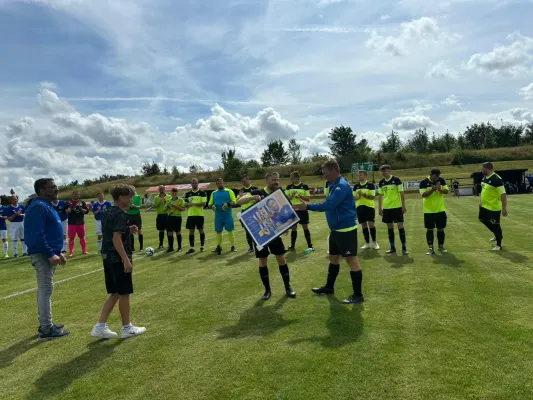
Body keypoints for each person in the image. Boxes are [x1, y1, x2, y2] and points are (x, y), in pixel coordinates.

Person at [294, 160, 364, 304]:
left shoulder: (341, 186)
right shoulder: (332, 184)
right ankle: (329, 287)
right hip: (336, 230)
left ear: (334, 171)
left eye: (325, 172)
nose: (323, 175)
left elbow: (329, 205)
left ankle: (358, 295)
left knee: (352, 261)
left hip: (345, 230)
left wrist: (307, 207)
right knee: (333, 259)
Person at [91, 184, 146, 339]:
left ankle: (100, 326)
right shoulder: (121, 213)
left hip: (107, 256)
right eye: (129, 196)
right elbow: (116, 238)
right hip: (117, 257)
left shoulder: (108, 211)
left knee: (115, 292)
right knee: (124, 292)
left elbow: (110, 232)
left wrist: (128, 230)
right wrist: (125, 260)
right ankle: (126, 327)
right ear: (121, 197)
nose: (131, 199)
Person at [237, 172, 296, 300]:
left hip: (275, 234)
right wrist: (252, 198)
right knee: (263, 260)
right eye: (274, 180)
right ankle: (267, 291)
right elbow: (239, 201)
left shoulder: (280, 194)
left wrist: (286, 227)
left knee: (281, 258)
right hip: (261, 235)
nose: (277, 182)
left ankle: (288, 287)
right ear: (267, 181)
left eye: (278, 180)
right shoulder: (257, 192)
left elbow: (287, 213)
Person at [24, 178, 70, 340]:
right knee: (45, 290)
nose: (56, 190)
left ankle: (47, 324)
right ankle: (46, 328)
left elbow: (51, 232)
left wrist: (60, 251)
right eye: (52, 187)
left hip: (47, 252)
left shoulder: (46, 206)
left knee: (46, 290)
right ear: (42, 191)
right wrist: (51, 253)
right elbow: (37, 235)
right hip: (42, 254)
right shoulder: (38, 206)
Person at [378, 165, 408, 255]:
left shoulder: (396, 179)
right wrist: (379, 208)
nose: (383, 172)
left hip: (397, 207)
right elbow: (380, 196)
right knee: (390, 228)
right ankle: (392, 247)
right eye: (381, 171)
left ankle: (404, 248)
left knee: (400, 226)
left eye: (384, 170)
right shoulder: (381, 182)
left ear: (389, 170)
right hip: (387, 209)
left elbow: (402, 193)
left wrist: (403, 206)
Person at [478, 162, 508, 251]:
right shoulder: (484, 177)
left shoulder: (497, 179)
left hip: (494, 207)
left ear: (487, 168)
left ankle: (498, 245)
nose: (481, 170)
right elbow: (482, 190)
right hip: (484, 206)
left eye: (482, 168)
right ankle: (496, 233)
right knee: (482, 219)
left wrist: (504, 208)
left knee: (496, 225)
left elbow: (503, 194)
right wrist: (480, 202)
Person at [419, 169, 449, 255]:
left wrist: (439, 189)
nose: (437, 179)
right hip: (429, 211)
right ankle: (430, 248)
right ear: (431, 175)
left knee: (441, 228)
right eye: (435, 177)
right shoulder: (423, 182)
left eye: (438, 177)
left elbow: (446, 191)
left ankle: (440, 246)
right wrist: (432, 190)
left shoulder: (442, 180)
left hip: (440, 209)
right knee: (430, 229)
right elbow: (423, 195)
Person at [285, 171, 314, 252]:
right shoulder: (289, 187)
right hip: (293, 211)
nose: (291, 179)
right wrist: (292, 196)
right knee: (294, 228)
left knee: (305, 227)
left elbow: (308, 199)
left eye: (292, 178)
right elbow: (286, 198)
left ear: (297, 178)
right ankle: (292, 246)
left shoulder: (304, 186)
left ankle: (310, 246)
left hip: (302, 210)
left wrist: (300, 196)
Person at [209, 178, 237, 255]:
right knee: (218, 231)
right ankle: (218, 246)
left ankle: (233, 246)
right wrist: (212, 206)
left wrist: (227, 204)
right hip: (218, 215)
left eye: (221, 183)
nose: (219, 184)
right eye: (218, 183)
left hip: (227, 214)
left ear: (223, 182)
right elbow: (210, 203)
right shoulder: (213, 193)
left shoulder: (229, 191)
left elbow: (234, 201)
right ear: (216, 184)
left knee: (230, 230)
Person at [353, 170, 379, 250]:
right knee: (363, 225)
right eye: (358, 175)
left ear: (365, 176)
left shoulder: (370, 185)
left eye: (360, 175)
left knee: (371, 224)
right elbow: (354, 198)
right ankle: (367, 243)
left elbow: (372, 197)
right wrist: (358, 197)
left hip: (369, 207)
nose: (359, 176)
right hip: (359, 207)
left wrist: (363, 194)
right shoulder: (356, 186)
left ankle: (375, 242)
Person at [184, 178, 207, 254]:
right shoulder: (187, 194)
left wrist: (194, 204)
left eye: (196, 183)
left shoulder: (202, 193)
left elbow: (204, 204)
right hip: (190, 215)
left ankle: (202, 247)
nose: (194, 184)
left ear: (198, 183)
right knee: (191, 232)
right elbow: (185, 204)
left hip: (199, 215)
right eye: (193, 183)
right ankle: (192, 248)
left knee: (201, 230)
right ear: (191, 184)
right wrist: (188, 204)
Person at [237, 175, 258, 253]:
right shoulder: (241, 191)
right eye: (242, 182)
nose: (243, 183)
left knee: (256, 229)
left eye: (245, 181)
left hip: (254, 211)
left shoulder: (255, 189)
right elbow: (238, 202)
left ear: (248, 180)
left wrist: (245, 199)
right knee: (247, 230)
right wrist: (242, 197)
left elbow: (257, 199)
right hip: (244, 212)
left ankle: (258, 245)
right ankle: (250, 247)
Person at [65, 190, 89, 257]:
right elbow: (65, 211)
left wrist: (82, 210)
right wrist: (69, 210)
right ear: (72, 195)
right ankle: (71, 252)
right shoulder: (68, 203)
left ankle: (84, 251)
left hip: (80, 222)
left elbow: (86, 211)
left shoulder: (82, 202)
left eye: (78, 194)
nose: (77, 195)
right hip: (71, 223)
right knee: (71, 238)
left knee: (82, 237)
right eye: (75, 194)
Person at [165, 188, 186, 252]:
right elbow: (165, 210)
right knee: (170, 232)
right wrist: (168, 206)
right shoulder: (168, 200)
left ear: (177, 193)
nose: (174, 193)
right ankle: (171, 247)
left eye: (175, 192)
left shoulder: (180, 200)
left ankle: (179, 247)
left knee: (178, 232)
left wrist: (175, 206)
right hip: (170, 217)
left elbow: (183, 209)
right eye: (173, 192)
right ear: (171, 193)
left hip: (177, 217)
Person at [154, 185, 171, 249]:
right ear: (159, 190)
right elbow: (155, 206)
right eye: (160, 189)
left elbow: (170, 204)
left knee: (168, 230)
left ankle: (170, 244)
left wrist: (165, 200)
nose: (161, 190)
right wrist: (160, 201)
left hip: (167, 215)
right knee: (161, 230)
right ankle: (161, 244)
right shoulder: (156, 197)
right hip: (160, 215)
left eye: (162, 189)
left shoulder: (169, 196)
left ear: (165, 189)